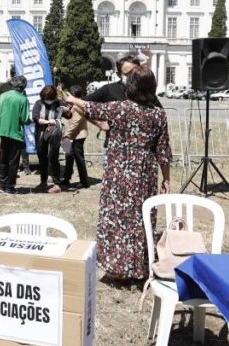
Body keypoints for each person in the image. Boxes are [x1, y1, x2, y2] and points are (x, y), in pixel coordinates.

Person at [64, 66, 172, 282]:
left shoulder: (120, 108)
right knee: (141, 219)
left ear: (131, 87)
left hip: (118, 173)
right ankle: (140, 266)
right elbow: (163, 150)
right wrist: (167, 178)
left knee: (115, 218)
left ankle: (116, 267)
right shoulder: (158, 114)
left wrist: (72, 99)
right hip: (144, 174)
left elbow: (90, 107)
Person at [84, 55, 142, 169]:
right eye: (128, 73)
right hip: (114, 148)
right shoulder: (109, 89)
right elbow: (81, 104)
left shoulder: (145, 90)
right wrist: (99, 123)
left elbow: (158, 113)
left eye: (135, 72)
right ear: (119, 74)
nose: (132, 76)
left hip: (140, 148)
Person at [0, 75, 30, 194]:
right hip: (16, 133)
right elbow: (24, 119)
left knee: (4, 159)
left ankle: (2, 185)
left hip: (3, 131)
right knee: (13, 161)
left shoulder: (3, 96)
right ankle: (9, 187)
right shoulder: (23, 99)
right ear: (23, 87)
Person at [32, 85, 69, 193]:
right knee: (42, 158)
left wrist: (67, 110)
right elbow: (36, 118)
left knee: (54, 158)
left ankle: (57, 184)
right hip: (41, 134)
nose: (47, 101)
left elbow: (69, 115)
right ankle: (43, 181)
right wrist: (48, 122)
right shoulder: (38, 103)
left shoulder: (58, 103)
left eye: (49, 98)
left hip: (55, 135)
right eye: (45, 98)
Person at [60, 84, 90, 189]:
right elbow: (67, 98)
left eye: (71, 94)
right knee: (68, 156)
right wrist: (61, 91)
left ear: (75, 95)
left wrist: (66, 136)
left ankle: (84, 182)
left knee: (79, 158)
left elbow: (75, 123)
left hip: (78, 136)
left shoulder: (79, 106)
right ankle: (66, 179)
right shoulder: (75, 102)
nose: (69, 96)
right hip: (71, 135)